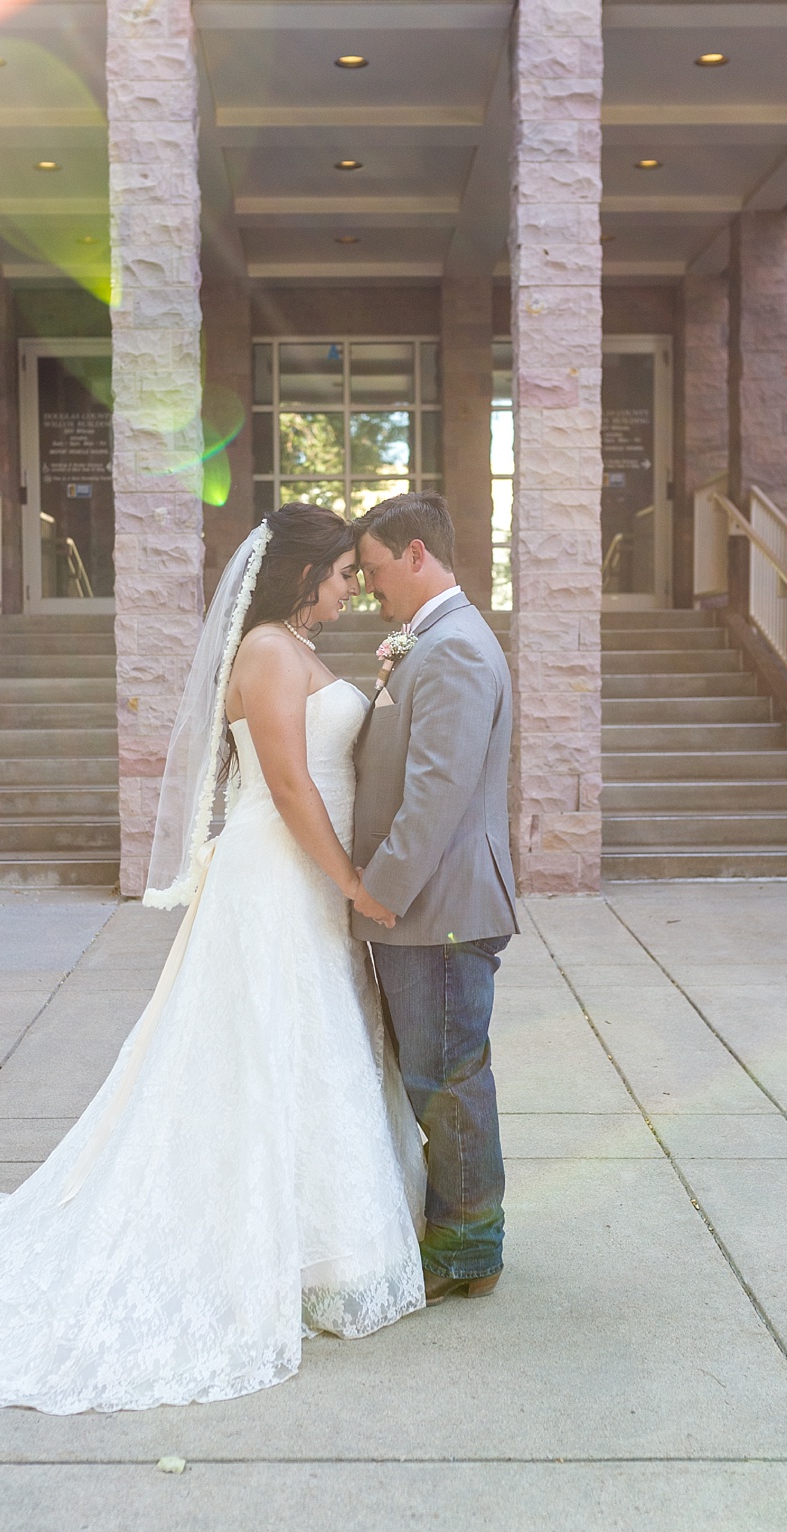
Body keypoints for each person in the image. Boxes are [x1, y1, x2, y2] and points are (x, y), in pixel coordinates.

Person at [0, 501, 428, 1414]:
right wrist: (349, 881)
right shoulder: (263, 651)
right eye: (341, 574)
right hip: (279, 874)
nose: (350, 589)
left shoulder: (295, 647)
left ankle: (319, 1244)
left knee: (310, 1048)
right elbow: (291, 784)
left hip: (305, 875)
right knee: (263, 1048)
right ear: (304, 573)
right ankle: (250, 1246)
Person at [350, 490, 516, 1303]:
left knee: (448, 1077)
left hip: (437, 910)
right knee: (436, 1072)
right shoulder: (436, 640)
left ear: (416, 554)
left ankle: (468, 1248)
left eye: (376, 569)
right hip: (430, 909)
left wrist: (379, 892)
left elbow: (437, 793)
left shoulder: (452, 649)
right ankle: (457, 1230)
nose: (370, 586)